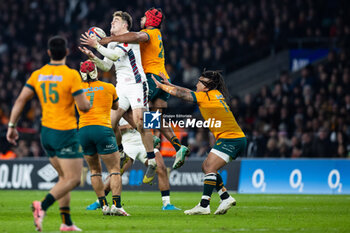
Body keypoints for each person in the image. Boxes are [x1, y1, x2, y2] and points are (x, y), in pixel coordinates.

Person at [6, 35, 90, 231]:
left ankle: (66, 223)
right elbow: (83, 106)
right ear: (67, 52)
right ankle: (41, 206)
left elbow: (20, 100)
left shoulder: (38, 74)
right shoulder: (71, 75)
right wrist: (88, 102)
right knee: (74, 179)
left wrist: (12, 126)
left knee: (63, 179)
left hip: (46, 134)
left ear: (49, 53)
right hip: (65, 133)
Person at [97, 7, 190, 170]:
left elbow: (136, 36)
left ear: (150, 21)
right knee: (156, 118)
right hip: (163, 78)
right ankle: (178, 147)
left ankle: (148, 138)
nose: (141, 19)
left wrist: (106, 40)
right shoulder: (157, 35)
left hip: (151, 77)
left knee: (125, 107)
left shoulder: (149, 32)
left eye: (144, 17)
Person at [152, 70, 247, 215]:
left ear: (207, 86)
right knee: (206, 167)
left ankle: (204, 205)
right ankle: (225, 197)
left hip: (231, 138)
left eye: (200, 82)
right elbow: (187, 91)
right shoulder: (214, 94)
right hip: (233, 138)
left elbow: (183, 94)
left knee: (209, 166)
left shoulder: (206, 97)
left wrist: (162, 86)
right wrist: (170, 84)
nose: (197, 84)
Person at [79, 11, 157, 184]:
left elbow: (115, 56)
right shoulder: (113, 44)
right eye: (112, 20)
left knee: (140, 122)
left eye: (116, 20)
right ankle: (121, 152)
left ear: (125, 25)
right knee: (111, 122)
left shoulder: (129, 39)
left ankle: (151, 159)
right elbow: (107, 65)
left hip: (137, 84)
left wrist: (97, 46)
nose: (112, 23)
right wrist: (93, 56)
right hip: (121, 87)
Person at [86, 117, 181, 211]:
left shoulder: (144, 105)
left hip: (146, 144)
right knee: (117, 173)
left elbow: (156, 124)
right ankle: (99, 201)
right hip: (127, 144)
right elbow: (110, 127)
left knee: (161, 167)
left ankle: (167, 204)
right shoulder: (121, 106)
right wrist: (126, 126)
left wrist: (156, 137)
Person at [78, 60, 130, 216]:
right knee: (114, 170)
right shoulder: (109, 87)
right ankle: (117, 205)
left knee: (94, 170)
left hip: (84, 131)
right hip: (102, 129)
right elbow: (115, 107)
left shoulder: (76, 90)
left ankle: (104, 206)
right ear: (96, 71)